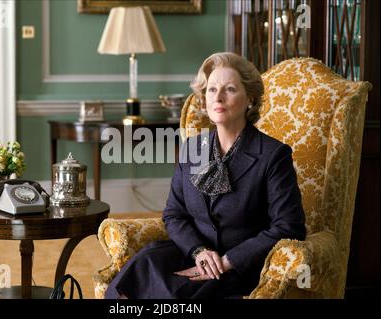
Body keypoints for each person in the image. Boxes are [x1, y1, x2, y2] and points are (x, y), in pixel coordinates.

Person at [105, 52, 306, 299]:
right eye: (211, 90)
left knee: (173, 294)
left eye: (230, 89)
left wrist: (228, 260)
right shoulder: (193, 149)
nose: (218, 98)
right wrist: (199, 251)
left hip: (238, 266)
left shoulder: (273, 155)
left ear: (250, 99)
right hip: (191, 253)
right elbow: (174, 214)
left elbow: (289, 227)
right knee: (135, 276)